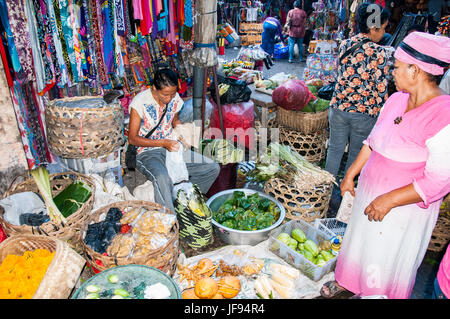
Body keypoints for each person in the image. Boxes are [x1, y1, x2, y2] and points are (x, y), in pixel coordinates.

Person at [320, 31, 450, 299]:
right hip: (371, 195)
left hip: (403, 209)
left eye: (398, 67)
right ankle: (348, 282)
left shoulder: (444, 115)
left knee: (384, 254)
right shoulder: (395, 100)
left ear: (416, 71)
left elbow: (439, 179)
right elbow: (371, 142)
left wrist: (389, 200)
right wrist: (350, 175)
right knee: (359, 243)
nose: (393, 72)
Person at [128, 68, 220, 212]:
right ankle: (170, 219)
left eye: (173, 93)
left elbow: (175, 121)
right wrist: (163, 143)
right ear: (154, 88)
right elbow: (132, 139)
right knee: (163, 178)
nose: (170, 98)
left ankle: (185, 202)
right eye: (165, 94)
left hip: (172, 148)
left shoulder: (175, 98)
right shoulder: (139, 102)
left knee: (211, 168)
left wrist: (183, 133)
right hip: (146, 152)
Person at [325, 3, 391, 182]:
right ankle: (346, 190)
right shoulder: (381, 53)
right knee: (355, 154)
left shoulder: (345, 44)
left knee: (334, 149)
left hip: (338, 107)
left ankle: (325, 192)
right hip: (364, 114)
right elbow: (381, 89)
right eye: (383, 28)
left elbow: (341, 74)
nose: (384, 33)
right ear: (373, 26)